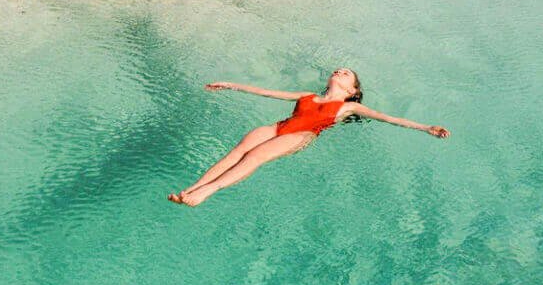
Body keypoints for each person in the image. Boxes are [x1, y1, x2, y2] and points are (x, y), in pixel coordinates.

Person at [168, 68, 449, 206]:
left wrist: (426, 127)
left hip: (302, 134)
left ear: (352, 90)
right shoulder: (308, 95)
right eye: (338, 70)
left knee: (254, 156)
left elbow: (389, 118)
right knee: (237, 151)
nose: (339, 71)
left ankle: (207, 192)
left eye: (347, 74)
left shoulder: (348, 107)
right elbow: (267, 92)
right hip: (280, 126)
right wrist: (230, 85)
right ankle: (191, 189)